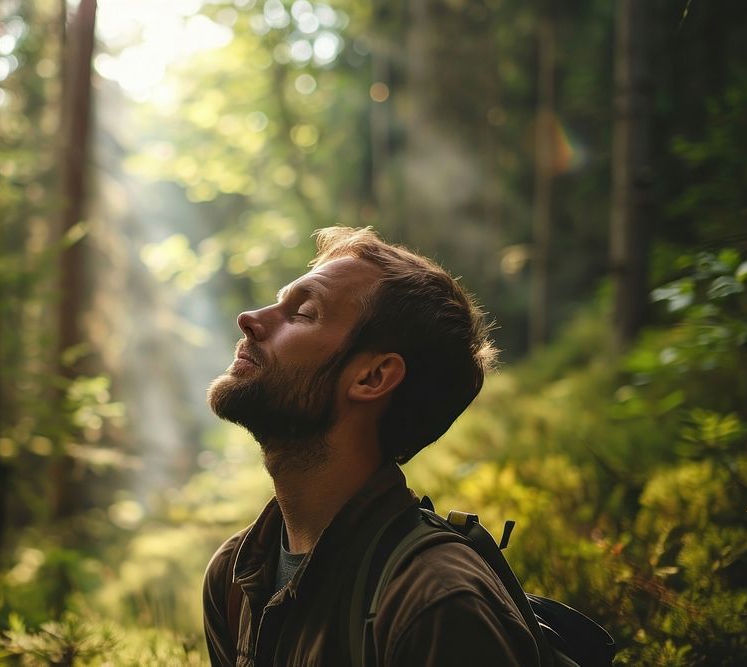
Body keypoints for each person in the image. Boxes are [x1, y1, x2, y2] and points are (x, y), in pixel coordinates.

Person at [202, 226, 539, 666]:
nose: (250, 318)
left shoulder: (438, 603)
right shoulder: (234, 575)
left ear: (373, 378)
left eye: (302, 312)